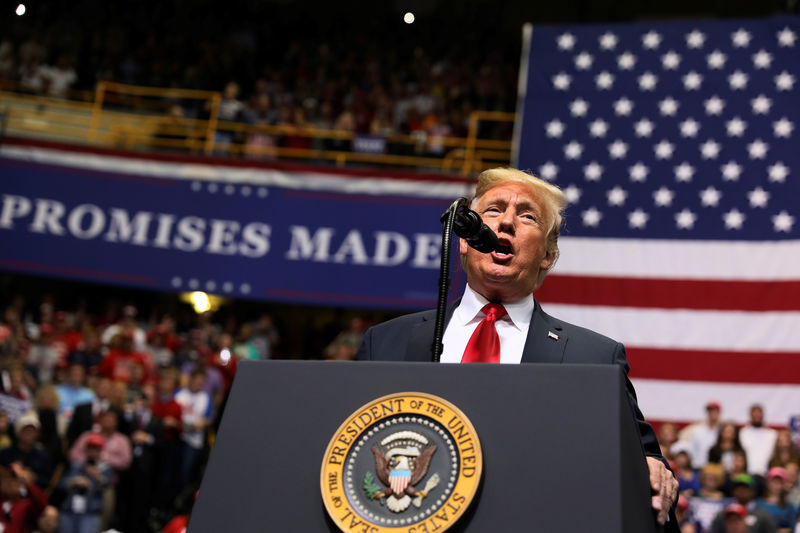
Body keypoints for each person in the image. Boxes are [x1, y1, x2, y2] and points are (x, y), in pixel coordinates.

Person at [355, 167, 678, 526]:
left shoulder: (595, 358)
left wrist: (652, 469)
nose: (506, 221)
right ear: (464, 238)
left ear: (548, 256)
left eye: (527, 216)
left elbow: (643, 463)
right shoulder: (385, 342)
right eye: (493, 210)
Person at [740, 405, 778, 477]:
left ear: (763, 415)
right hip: (747, 474)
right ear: (750, 415)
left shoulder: (772, 434)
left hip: (767, 475)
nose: (756, 416)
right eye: (754, 413)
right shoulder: (742, 433)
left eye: (759, 413)